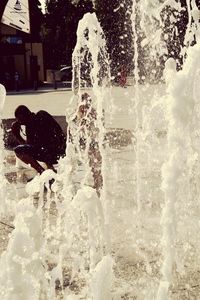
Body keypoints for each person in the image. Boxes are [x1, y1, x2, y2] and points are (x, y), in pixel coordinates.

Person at [11, 105, 66, 175]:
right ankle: (50, 168)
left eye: (19, 120)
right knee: (43, 146)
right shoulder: (42, 114)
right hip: (61, 150)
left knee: (18, 150)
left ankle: (41, 171)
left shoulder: (31, 125)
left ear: (23, 117)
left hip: (54, 153)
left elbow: (28, 151)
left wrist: (17, 135)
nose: (20, 122)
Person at [72, 93, 103, 196]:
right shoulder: (85, 111)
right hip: (90, 142)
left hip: (94, 142)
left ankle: (99, 186)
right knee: (93, 165)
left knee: (96, 166)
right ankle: (98, 184)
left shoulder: (90, 112)